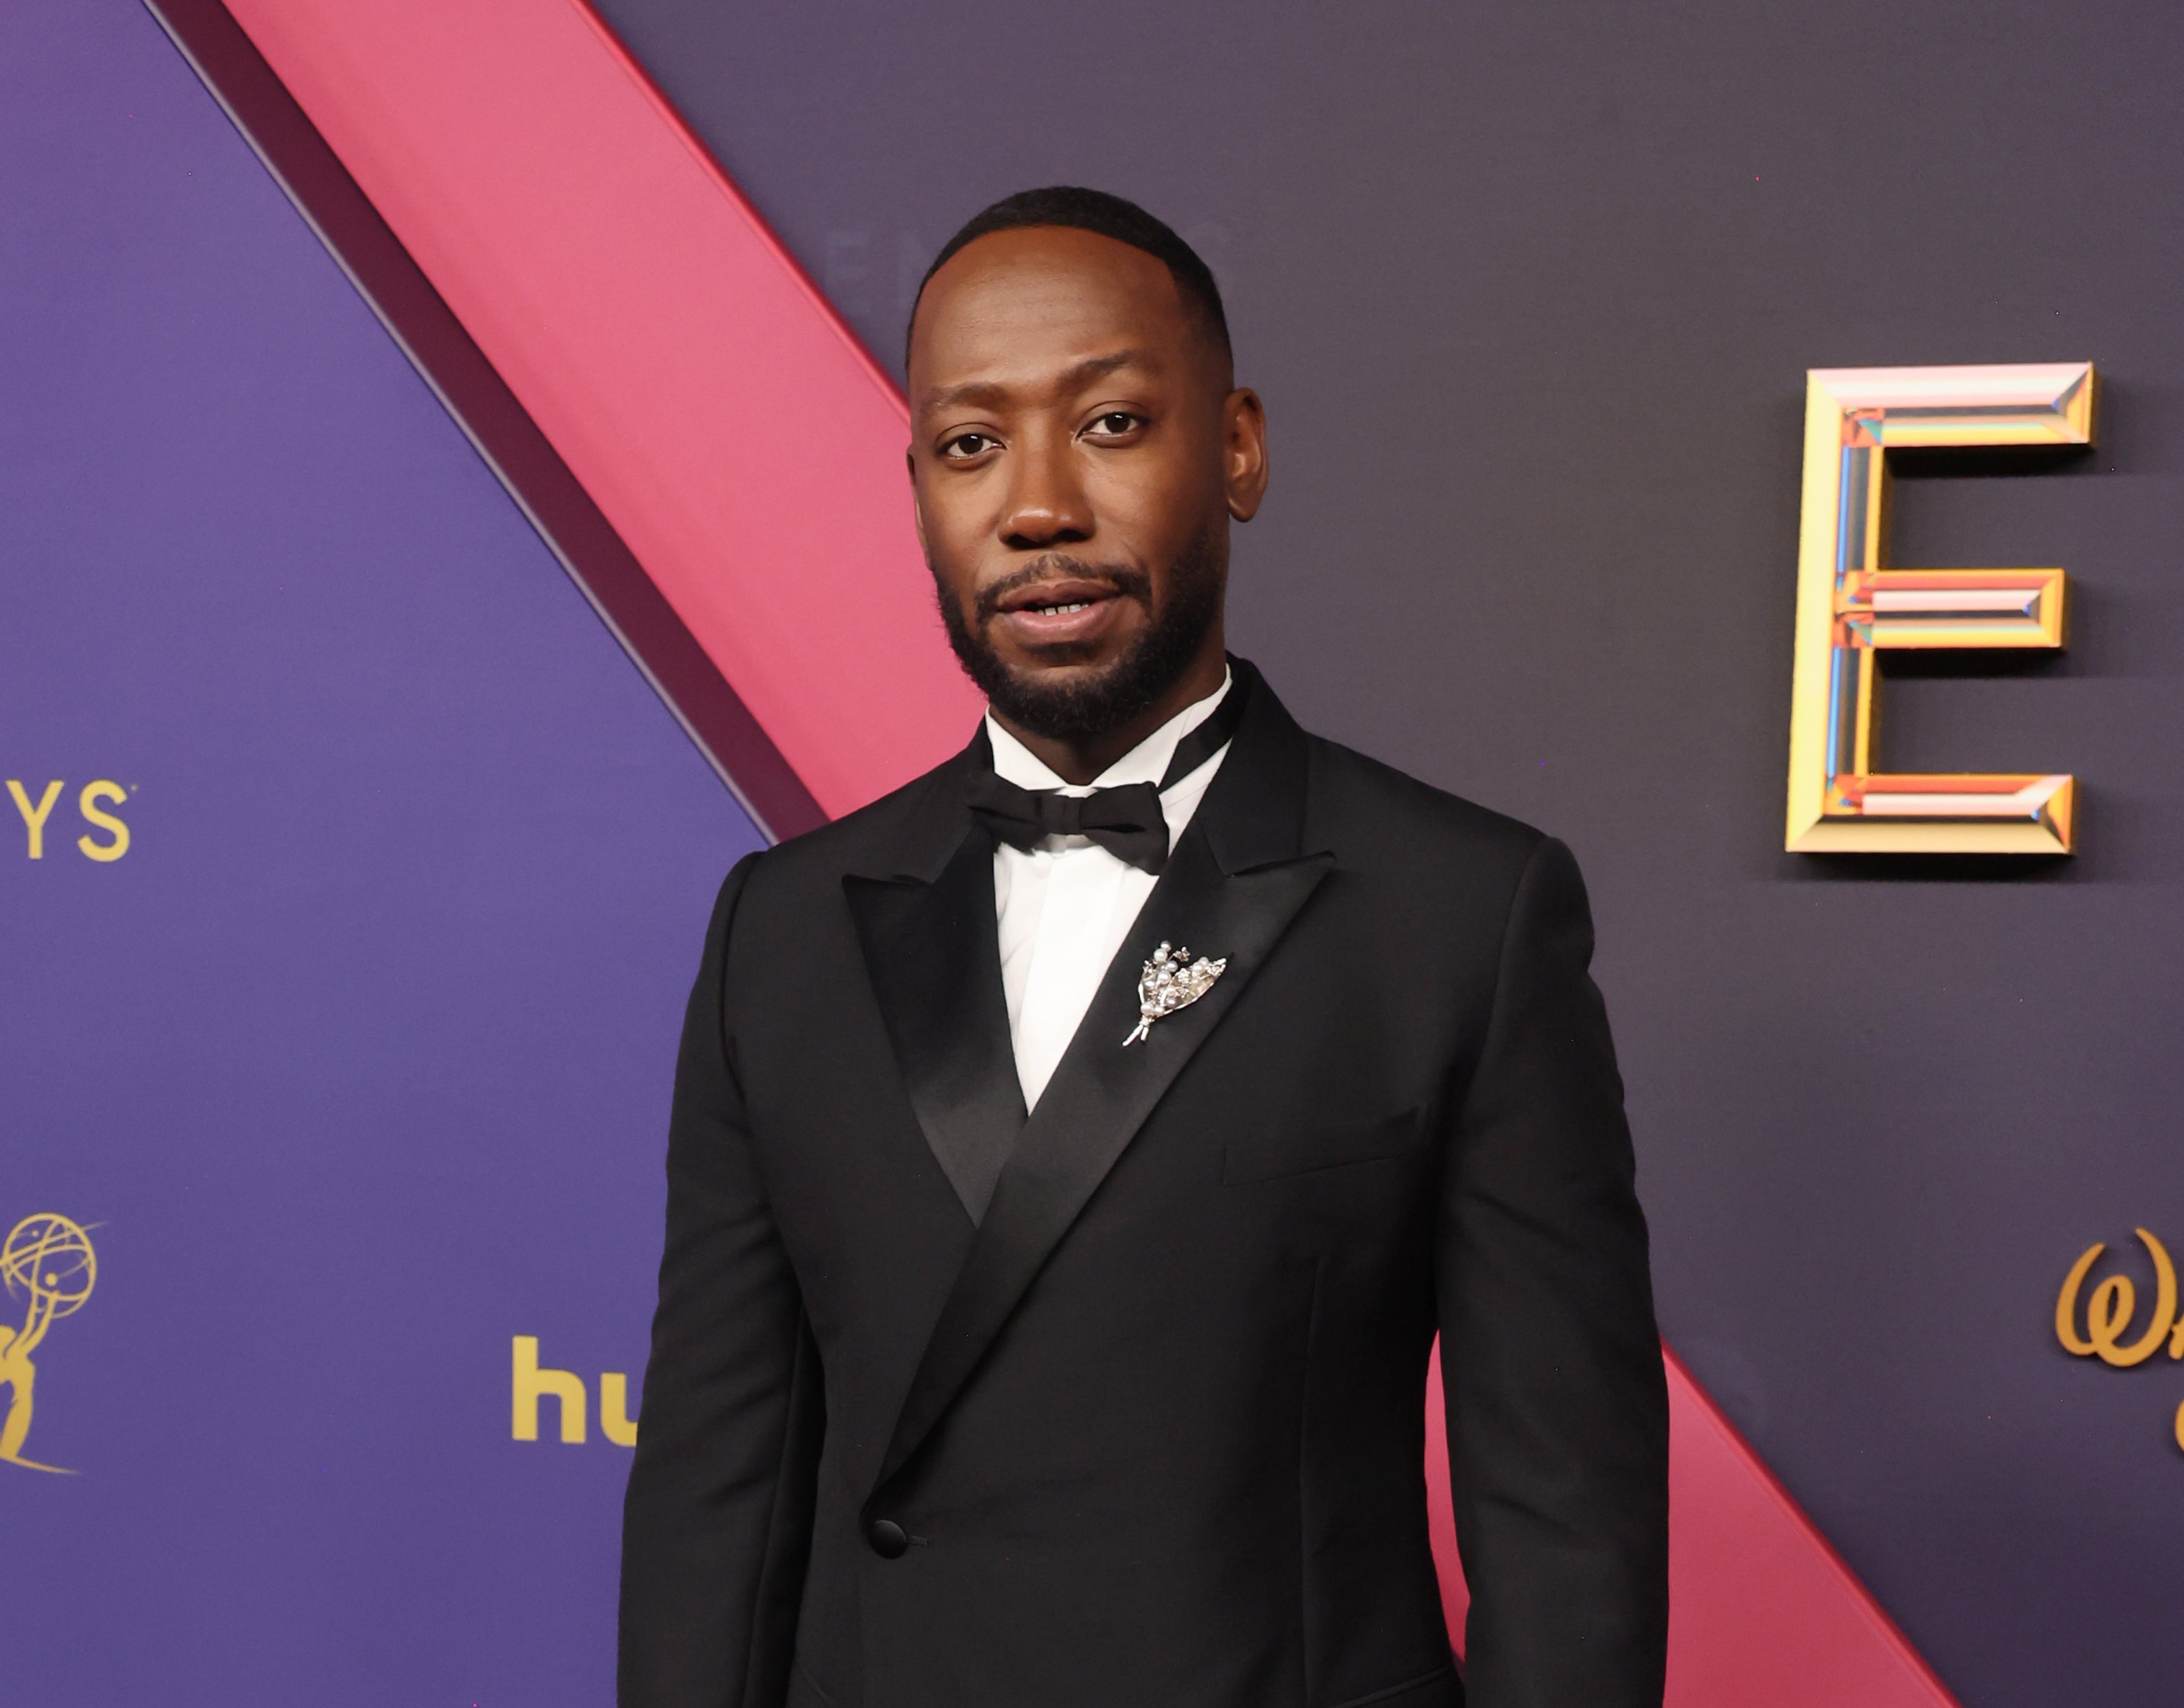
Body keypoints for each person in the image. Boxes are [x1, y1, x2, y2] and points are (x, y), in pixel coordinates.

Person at [619, 185, 1667, 1708]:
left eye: (1107, 423)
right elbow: (713, 1500)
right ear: (916, 485)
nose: (1036, 505)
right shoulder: (777, 932)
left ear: (1232, 447)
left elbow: (1563, 1526)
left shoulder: (1459, 915)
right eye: (970, 444)